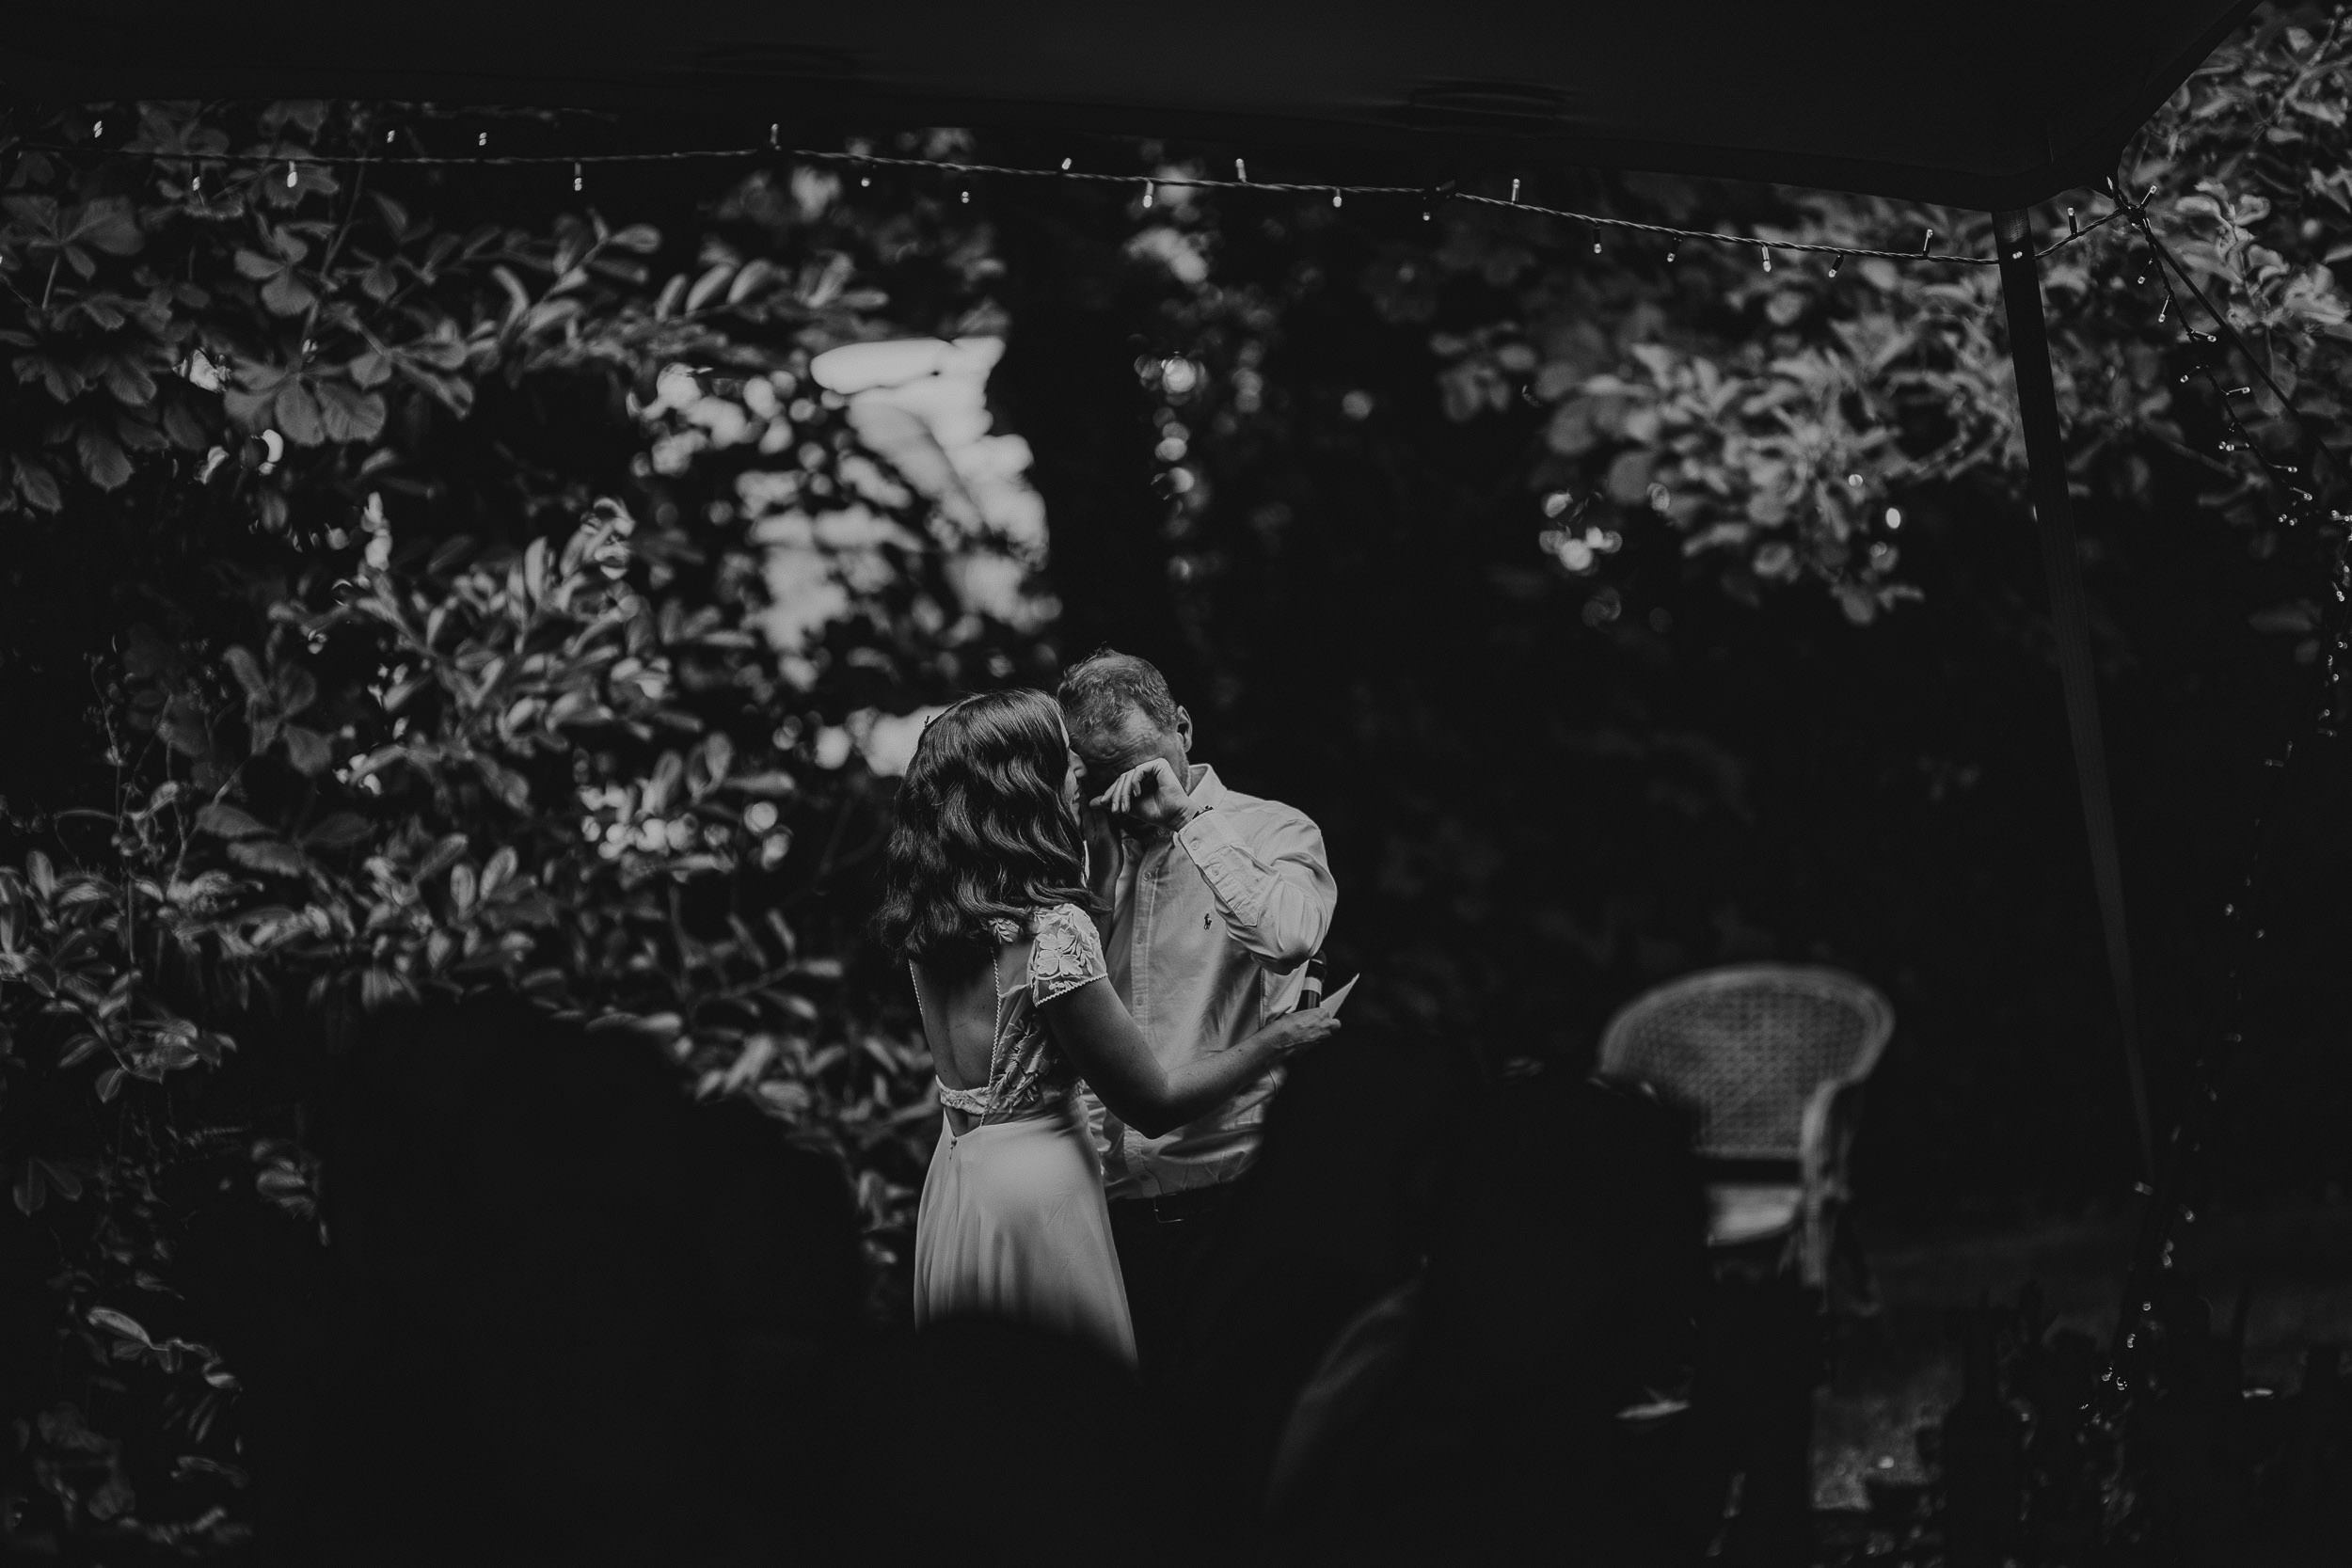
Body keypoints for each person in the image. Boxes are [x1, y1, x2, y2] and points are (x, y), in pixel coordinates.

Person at [872, 689, 1341, 1364]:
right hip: (1041, 1192)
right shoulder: (1051, 927)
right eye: (1067, 763)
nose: (1083, 779)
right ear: (1027, 783)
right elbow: (1152, 1101)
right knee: (1071, 1404)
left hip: (959, 1176)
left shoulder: (933, 909)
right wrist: (1282, 1039)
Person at [1056, 650, 1340, 1387]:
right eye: (1105, 773)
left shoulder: (1274, 829)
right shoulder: (1082, 855)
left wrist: (1186, 822)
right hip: (1110, 1207)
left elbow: (1291, 939)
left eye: (1143, 768)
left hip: (1234, 1196)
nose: (1130, 793)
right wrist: (1096, 867)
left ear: (1182, 726)